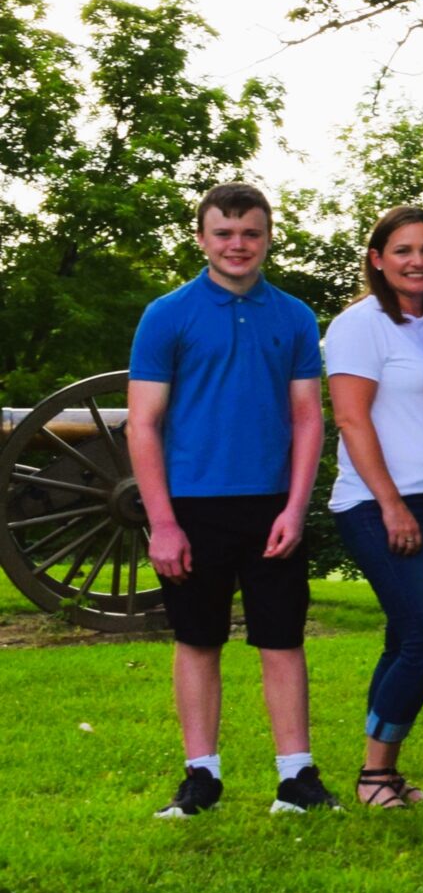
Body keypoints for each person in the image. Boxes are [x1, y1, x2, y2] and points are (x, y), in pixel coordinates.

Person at [132, 184, 331, 818]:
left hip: (273, 504)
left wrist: (295, 508)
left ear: (268, 238)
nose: (237, 245)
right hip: (191, 505)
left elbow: (308, 418)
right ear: (201, 239)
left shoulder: (295, 317)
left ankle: (296, 777)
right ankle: (202, 777)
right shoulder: (167, 314)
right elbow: (143, 423)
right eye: (224, 233)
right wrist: (163, 523)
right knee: (198, 640)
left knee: (282, 639)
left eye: (250, 233)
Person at [326, 204, 423, 809]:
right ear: (377, 260)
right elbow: (351, 419)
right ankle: (373, 774)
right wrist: (391, 504)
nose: (417, 261)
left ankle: (385, 770)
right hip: (377, 503)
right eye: (403, 250)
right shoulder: (360, 325)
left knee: (405, 637)